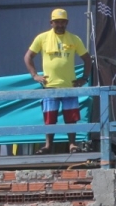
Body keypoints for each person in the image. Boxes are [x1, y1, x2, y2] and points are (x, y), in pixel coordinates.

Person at [24, 8, 92, 154]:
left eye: (63, 22)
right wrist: (35, 75)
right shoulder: (42, 38)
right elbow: (28, 57)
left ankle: (72, 145)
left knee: (71, 117)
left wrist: (84, 78)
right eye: (57, 22)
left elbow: (87, 59)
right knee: (49, 118)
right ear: (51, 23)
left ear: (67, 22)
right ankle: (48, 146)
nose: (60, 25)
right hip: (49, 86)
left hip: (69, 86)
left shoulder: (74, 39)